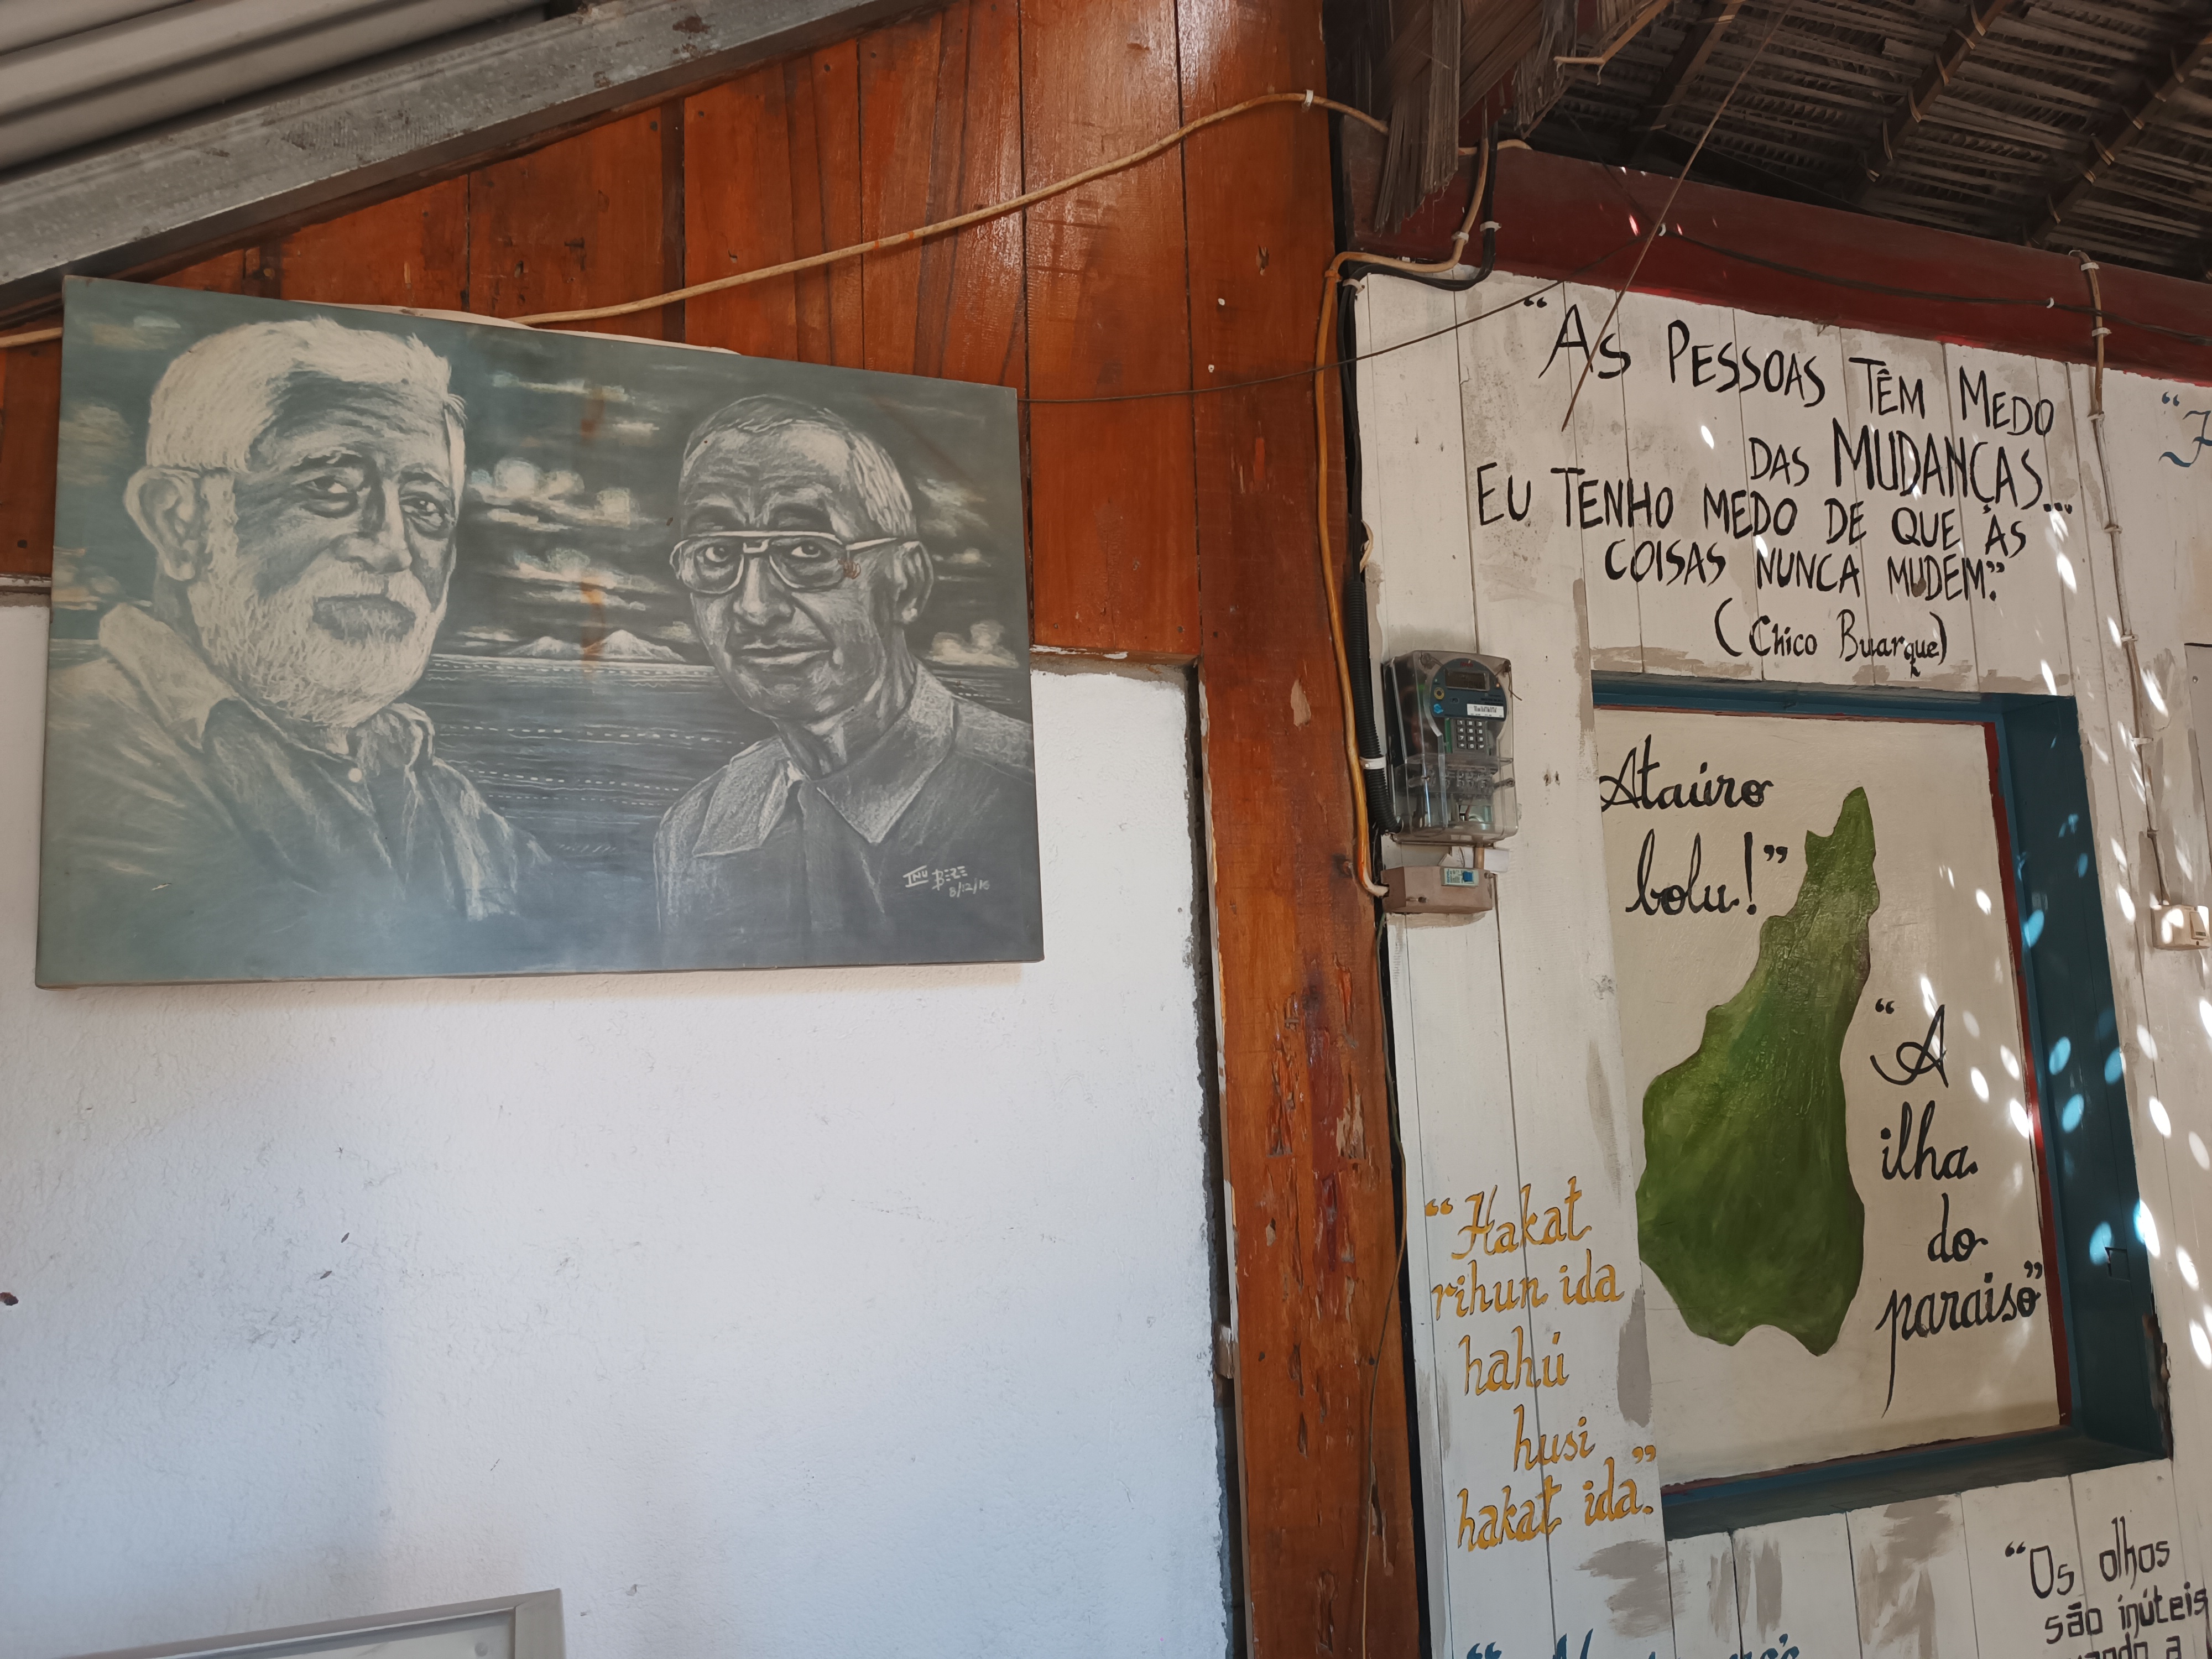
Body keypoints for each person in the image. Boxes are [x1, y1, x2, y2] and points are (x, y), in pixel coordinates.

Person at [38, 316, 544, 984]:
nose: (393, 547)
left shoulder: (425, 782)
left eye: (426, 506)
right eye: (329, 488)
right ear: (179, 522)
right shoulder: (86, 750)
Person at [655, 394, 1041, 967]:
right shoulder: (691, 831)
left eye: (808, 549)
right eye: (716, 553)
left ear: (906, 585)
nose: (754, 607)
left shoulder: (1022, 792)